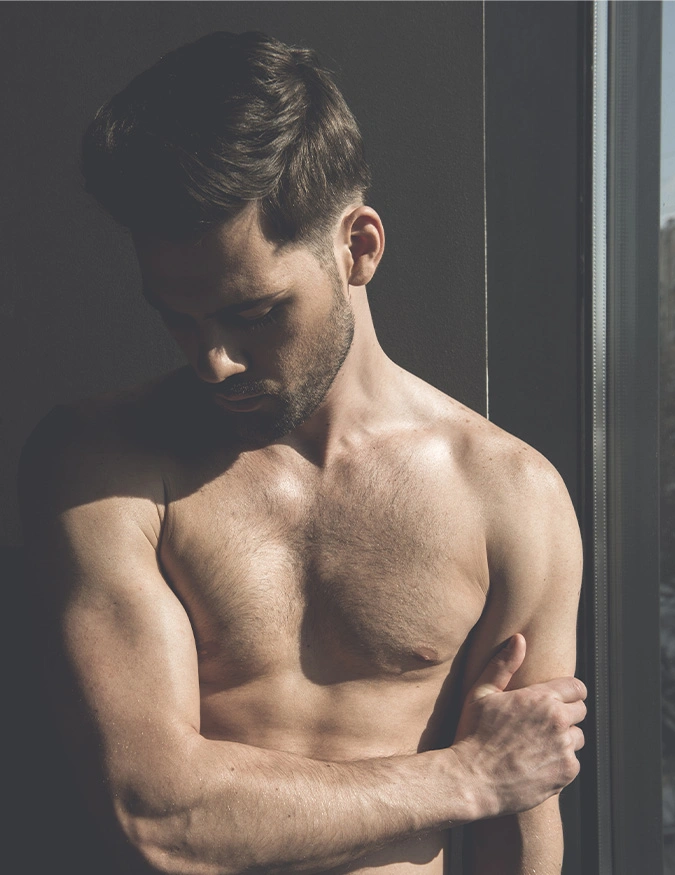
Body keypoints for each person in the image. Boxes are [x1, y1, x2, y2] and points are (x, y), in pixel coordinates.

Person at [19, 31, 586, 875]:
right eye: (179, 315)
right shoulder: (103, 467)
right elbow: (155, 814)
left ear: (357, 247)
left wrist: (501, 784)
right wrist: (471, 775)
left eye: (252, 313)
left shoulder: (511, 494)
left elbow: (523, 828)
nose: (214, 359)